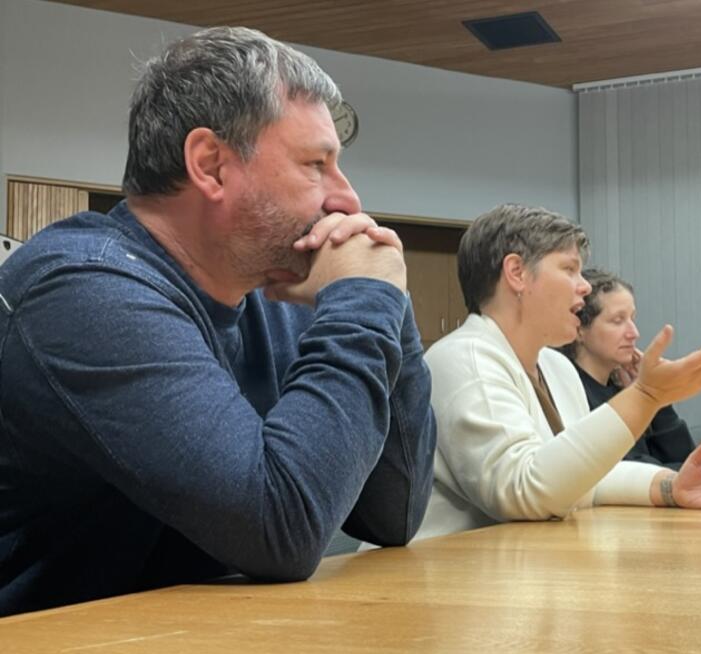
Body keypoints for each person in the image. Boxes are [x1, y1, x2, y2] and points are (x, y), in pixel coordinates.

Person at [0, 27, 435, 616]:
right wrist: (364, 297)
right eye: (316, 165)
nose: (349, 200)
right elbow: (280, 528)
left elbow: (393, 512)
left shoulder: (273, 300)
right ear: (210, 165)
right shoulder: (83, 291)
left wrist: (385, 300)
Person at [419, 203, 701, 539]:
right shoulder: (465, 358)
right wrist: (646, 396)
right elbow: (524, 492)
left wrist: (669, 486)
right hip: (433, 585)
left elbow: (582, 478)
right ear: (517, 273)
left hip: (512, 574)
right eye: (569, 269)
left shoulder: (556, 367)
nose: (584, 286)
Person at [561, 268, 695, 469]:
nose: (634, 333)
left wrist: (656, 397)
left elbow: (688, 463)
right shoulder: (570, 392)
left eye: (632, 318)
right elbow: (629, 468)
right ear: (580, 330)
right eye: (618, 320)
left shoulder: (621, 389)